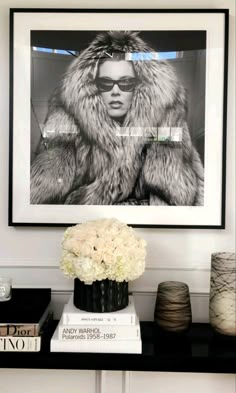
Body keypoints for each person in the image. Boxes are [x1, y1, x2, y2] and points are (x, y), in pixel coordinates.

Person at [30, 31, 204, 206]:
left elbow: (177, 199)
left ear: (139, 87)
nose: (115, 91)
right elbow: (44, 195)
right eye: (105, 83)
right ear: (93, 88)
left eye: (126, 83)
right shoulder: (71, 123)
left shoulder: (163, 124)